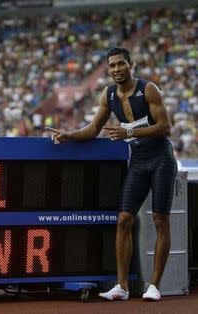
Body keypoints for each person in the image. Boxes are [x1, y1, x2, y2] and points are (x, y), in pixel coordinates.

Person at [49, 46, 177, 301]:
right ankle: (122, 287)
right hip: (139, 161)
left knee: (160, 221)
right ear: (108, 69)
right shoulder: (108, 95)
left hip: (161, 159)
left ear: (131, 65)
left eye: (121, 64)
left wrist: (129, 132)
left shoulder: (148, 89)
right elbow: (94, 127)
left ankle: (154, 285)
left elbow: (165, 127)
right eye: (112, 65)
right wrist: (69, 135)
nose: (117, 69)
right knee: (123, 220)